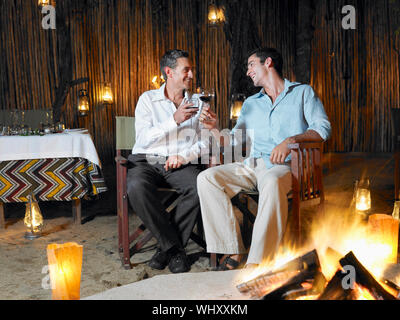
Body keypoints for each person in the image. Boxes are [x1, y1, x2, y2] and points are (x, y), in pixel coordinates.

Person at [197, 47, 331, 270]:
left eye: (251, 65)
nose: (248, 71)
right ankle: (232, 249)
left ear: (268, 62)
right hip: (253, 165)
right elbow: (234, 141)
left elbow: (322, 129)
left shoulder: (303, 93)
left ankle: (258, 262)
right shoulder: (251, 103)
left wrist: (290, 141)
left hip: (289, 167)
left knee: (270, 180)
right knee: (207, 178)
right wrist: (214, 128)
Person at [127, 49, 210, 273]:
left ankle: (165, 249)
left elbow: (204, 143)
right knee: (135, 186)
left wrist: (182, 157)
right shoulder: (148, 100)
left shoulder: (200, 102)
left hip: (180, 162)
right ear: (169, 72)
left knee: (198, 186)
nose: (191, 74)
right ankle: (174, 250)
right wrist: (173, 120)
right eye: (186, 70)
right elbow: (142, 139)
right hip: (146, 160)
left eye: (191, 69)